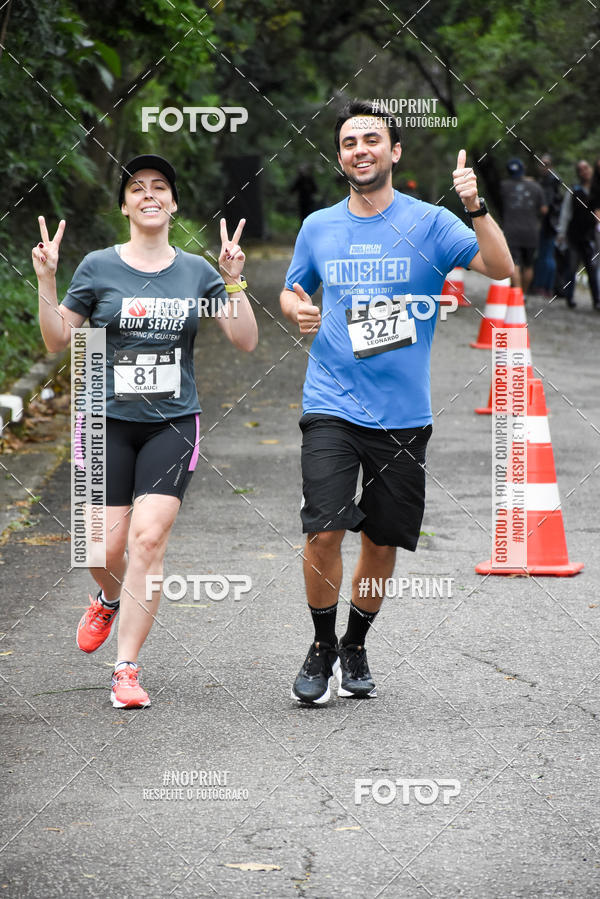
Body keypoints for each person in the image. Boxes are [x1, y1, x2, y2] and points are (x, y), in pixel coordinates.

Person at [279, 99, 513, 705]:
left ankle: (355, 644)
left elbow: (500, 267)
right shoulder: (319, 226)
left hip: (403, 414)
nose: (361, 150)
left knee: (381, 542)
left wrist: (475, 205)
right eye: (349, 142)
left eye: (372, 140)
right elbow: (293, 288)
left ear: (394, 151)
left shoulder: (432, 223)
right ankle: (321, 645)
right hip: (330, 402)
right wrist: (297, 307)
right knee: (324, 530)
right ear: (340, 157)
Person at [32, 154, 258, 708]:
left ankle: (126, 668)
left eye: (160, 186)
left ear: (174, 203)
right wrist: (46, 278)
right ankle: (108, 598)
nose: (149, 194)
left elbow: (246, 340)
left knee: (148, 540)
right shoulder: (97, 267)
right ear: (125, 206)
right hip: (102, 419)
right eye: (137, 188)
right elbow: (58, 340)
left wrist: (234, 282)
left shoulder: (197, 271)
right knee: (100, 548)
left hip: (172, 422)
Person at [556, 159, 600, 309]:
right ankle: (569, 297)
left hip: (591, 235)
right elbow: (566, 212)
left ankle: (596, 299)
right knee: (572, 267)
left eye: (586, 168)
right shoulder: (574, 191)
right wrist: (561, 233)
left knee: (592, 268)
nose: (584, 172)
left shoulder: (596, 189)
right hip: (574, 234)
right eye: (581, 169)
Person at [500, 158, 546, 298]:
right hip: (531, 231)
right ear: (523, 169)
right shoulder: (536, 187)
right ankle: (524, 294)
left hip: (511, 231)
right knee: (528, 265)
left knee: (514, 262)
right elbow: (544, 209)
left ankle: (517, 295)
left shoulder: (504, 186)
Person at [532, 153, 562, 297]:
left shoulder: (551, 181)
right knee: (546, 255)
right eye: (541, 164)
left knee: (546, 256)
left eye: (546, 164)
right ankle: (543, 286)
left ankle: (544, 286)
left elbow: (546, 207)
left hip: (549, 224)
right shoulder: (546, 181)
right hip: (550, 223)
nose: (543, 167)